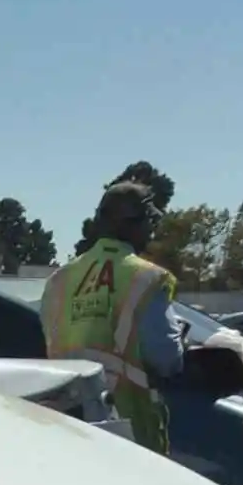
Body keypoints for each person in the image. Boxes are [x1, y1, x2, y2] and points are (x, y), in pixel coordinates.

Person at [39, 181, 187, 453]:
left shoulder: (59, 280)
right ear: (133, 223)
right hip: (128, 432)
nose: (151, 230)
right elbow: (166, 360)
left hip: (67, 427)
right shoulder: (148, 278)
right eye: (149, 222)